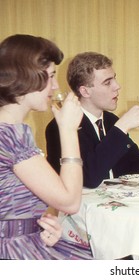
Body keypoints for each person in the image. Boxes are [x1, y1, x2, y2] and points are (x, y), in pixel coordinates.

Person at [0, 34, 93, 259]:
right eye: (51, 76)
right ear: (26, 76)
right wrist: (69, 130)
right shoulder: (8, 136)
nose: (56, 86)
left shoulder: (12, 131)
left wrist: (36, 227)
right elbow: (70, 202)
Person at [46, 52, 139, 188]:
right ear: (85, 91)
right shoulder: (60, 127)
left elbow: (134, 162)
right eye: (107, 82)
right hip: (80, 214)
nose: (117, 86)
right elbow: (89, 178)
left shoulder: (110, 120)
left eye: (114, 78)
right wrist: (122, 127)